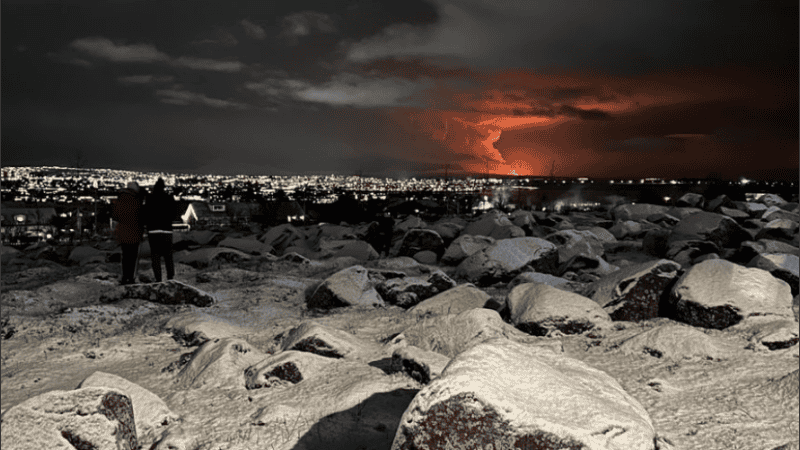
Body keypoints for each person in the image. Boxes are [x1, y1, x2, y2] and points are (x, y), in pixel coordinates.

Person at [143, 177, 176, 282]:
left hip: (153, 231)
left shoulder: (150, 198)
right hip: (166, 230)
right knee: (168, 256)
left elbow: (145, 213)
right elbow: (174, 213)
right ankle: (170, 277)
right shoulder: (168, 198)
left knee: (155, 256)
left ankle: (158, 278)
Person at [113, 181, 144, 285]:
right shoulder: (136, 201)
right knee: (132, 257)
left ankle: (125, 277)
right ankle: (130, 278)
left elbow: (115, 216)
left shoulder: (120, 200)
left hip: (122, 233)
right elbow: (140, 218)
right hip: (134, 232)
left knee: (125, 256)